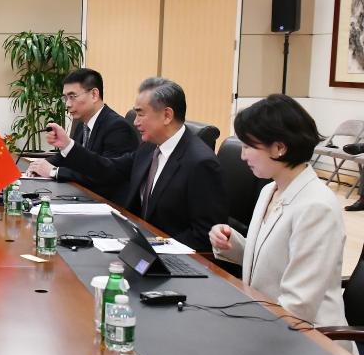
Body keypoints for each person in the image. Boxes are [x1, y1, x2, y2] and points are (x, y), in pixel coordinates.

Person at [210, 95, 349, 335]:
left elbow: (298, 307)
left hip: (310, 340)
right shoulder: (270, 190)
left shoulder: (316, 207)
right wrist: (232, 242)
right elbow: (272, 262)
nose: (243, 156)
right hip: (267, 319)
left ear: (279, 148)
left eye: (248, 146)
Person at [44, 77, 226, 251]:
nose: (135, 122)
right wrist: (68, 146)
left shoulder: (200, 163)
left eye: (140, 114)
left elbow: (204, 236)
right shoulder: (149, 147)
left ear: (167, 115)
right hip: (139, 243)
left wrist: (155, 245)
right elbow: (109, 169)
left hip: (173, 259)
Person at [25, 68, 139, 204]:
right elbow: (69, 156)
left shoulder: (117, 127)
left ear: (94, 95)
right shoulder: (82, 124)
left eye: (72, 96)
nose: (67, 104)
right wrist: (43, 164)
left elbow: (104, 174)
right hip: (83, 196)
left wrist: (54, 171)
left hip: (108, 205)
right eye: (65, 98)